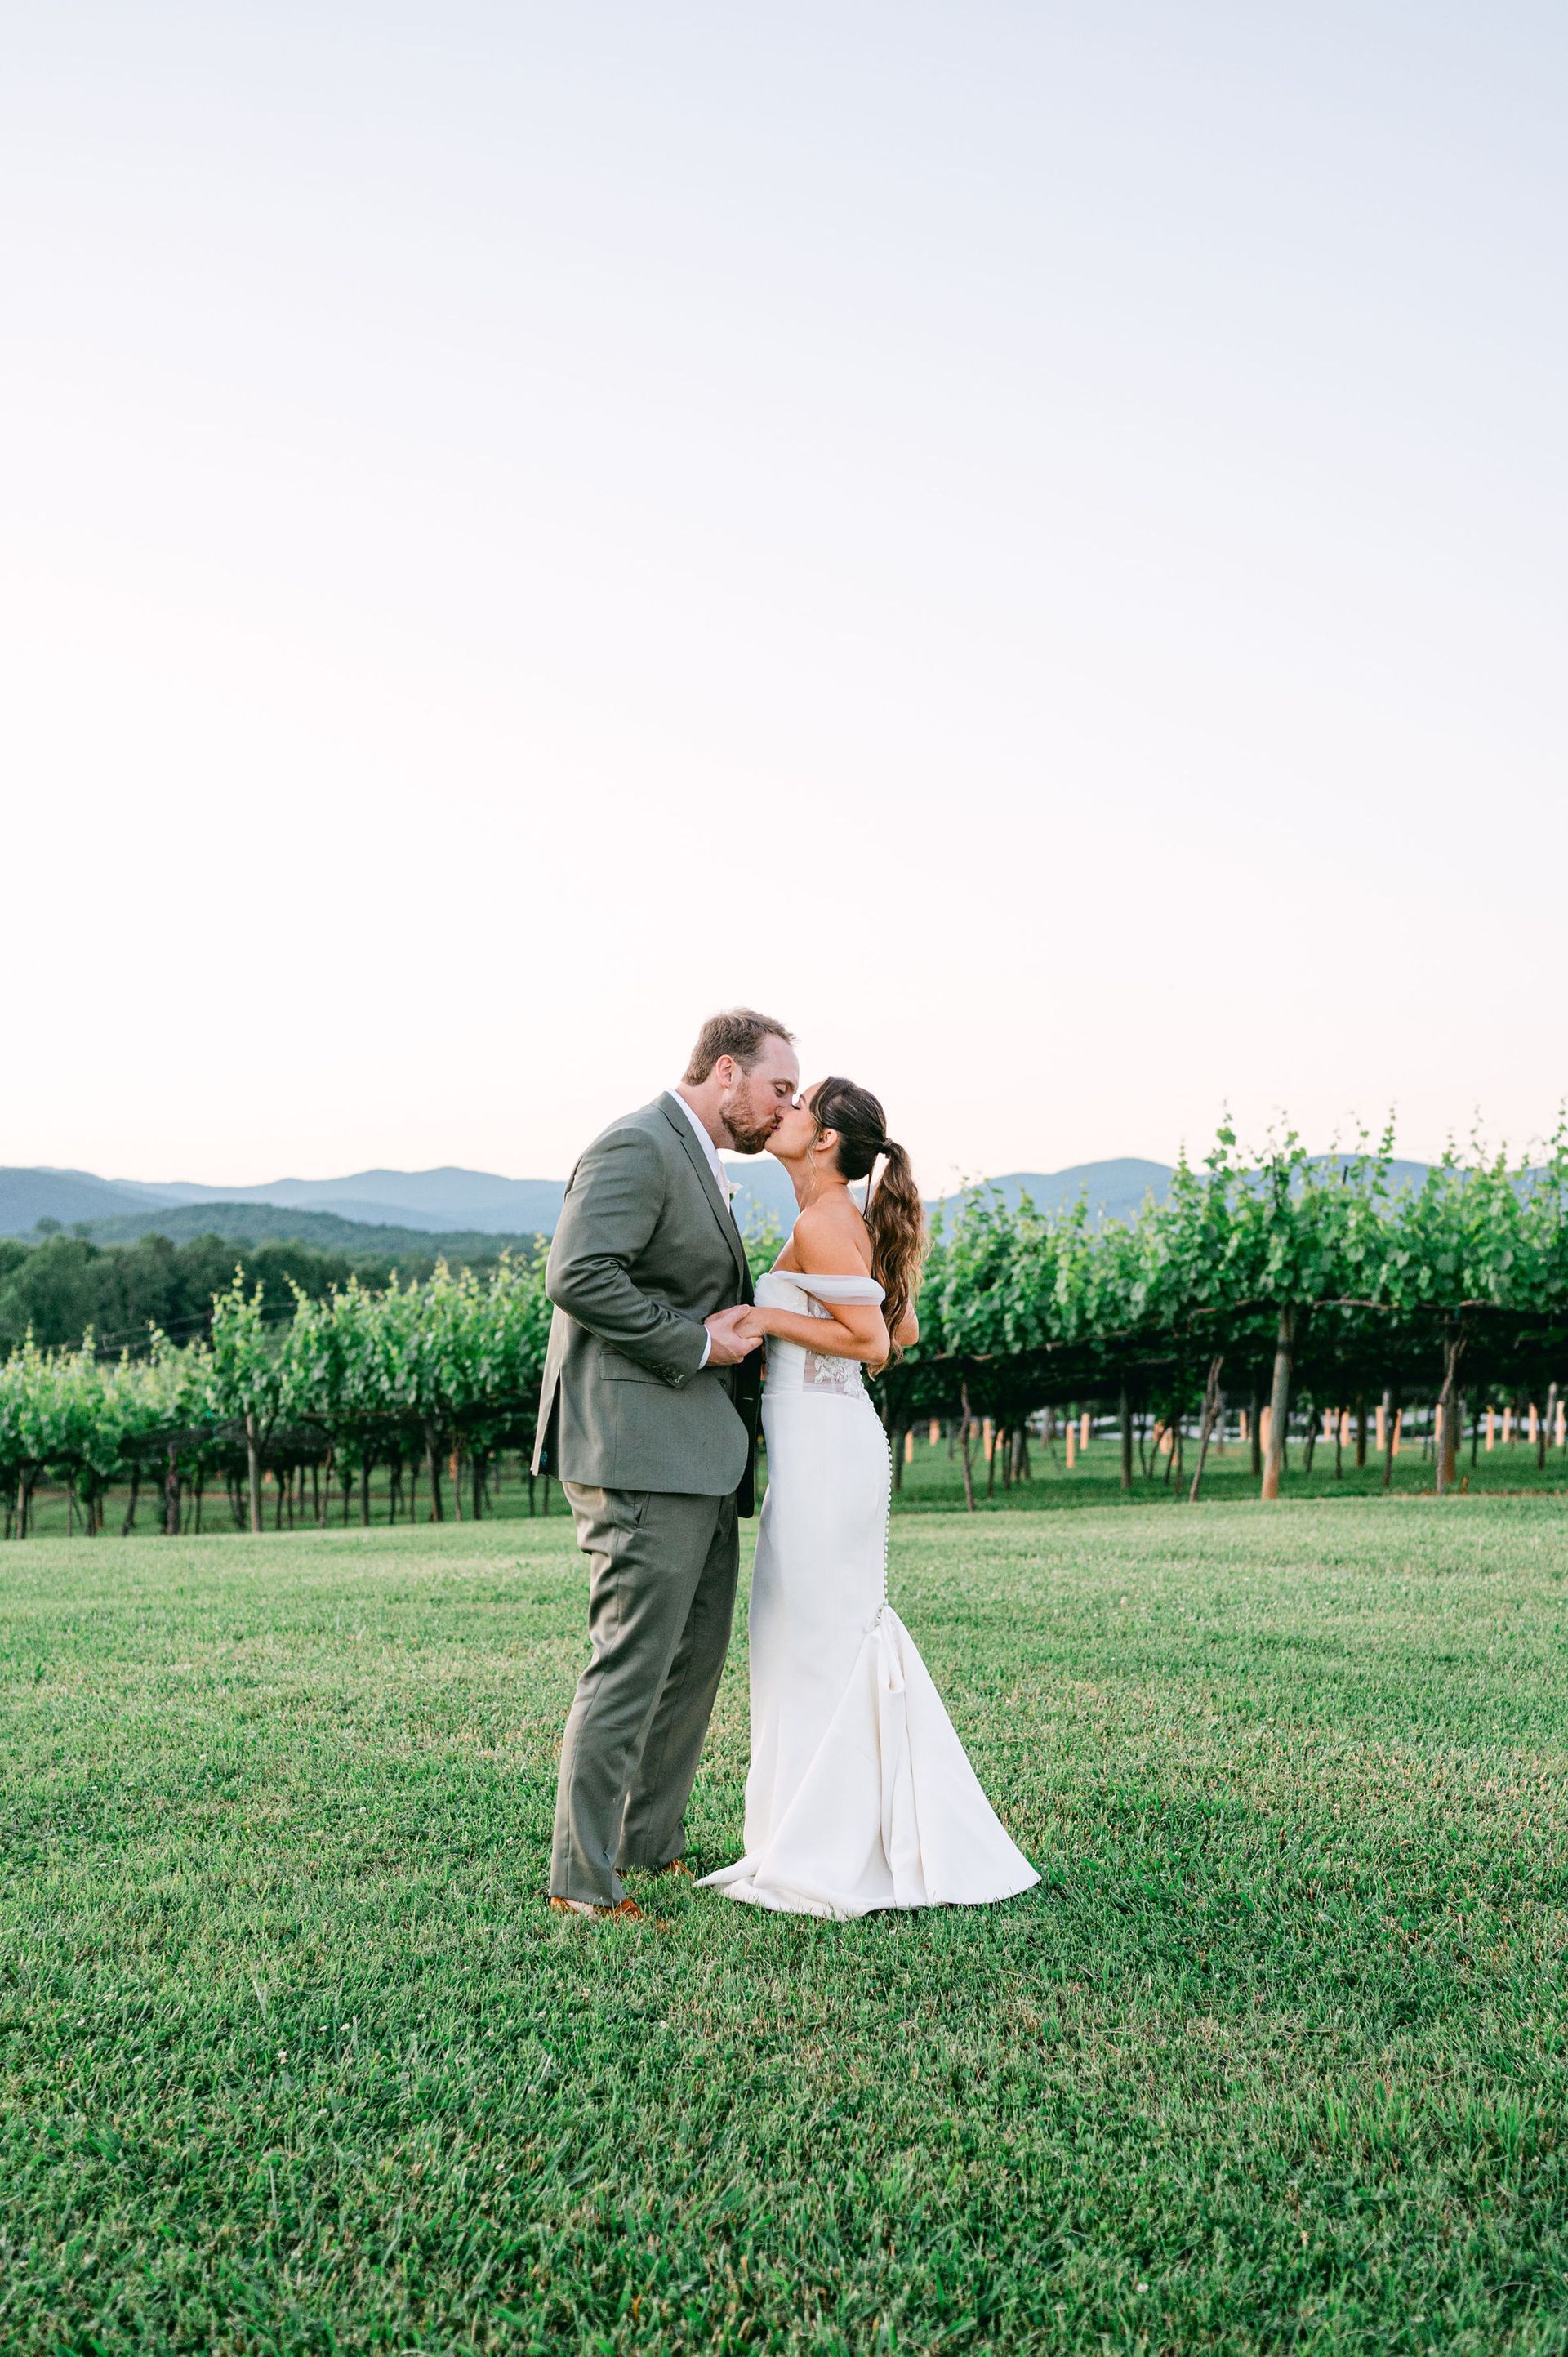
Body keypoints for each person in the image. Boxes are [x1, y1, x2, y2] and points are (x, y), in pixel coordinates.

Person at [697, 1077, 1038, 1919]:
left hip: (826, 1453)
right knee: (809, 1635)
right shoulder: (839, 1221)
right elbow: (905, 1326)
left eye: (800, 1103)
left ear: (824, 1141)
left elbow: (877, 1341)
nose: (784, 1109)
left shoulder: (824, 1222)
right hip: (828, 1445)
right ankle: (816, 1830)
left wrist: (770, 1320)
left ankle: (822, 1843)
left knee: (810, 1638)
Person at [536, 1008, 800, 1920]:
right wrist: (696, 1342)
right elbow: (577, 1272)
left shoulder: (700, 1159)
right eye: (779, 1088)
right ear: (726, 1074)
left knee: (692, 1658)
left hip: (696, 1453)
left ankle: (649, 1845)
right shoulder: (639, 1145)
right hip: (637, 1449)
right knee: (632, 1661)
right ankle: (581, 1880)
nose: (786, 1106)